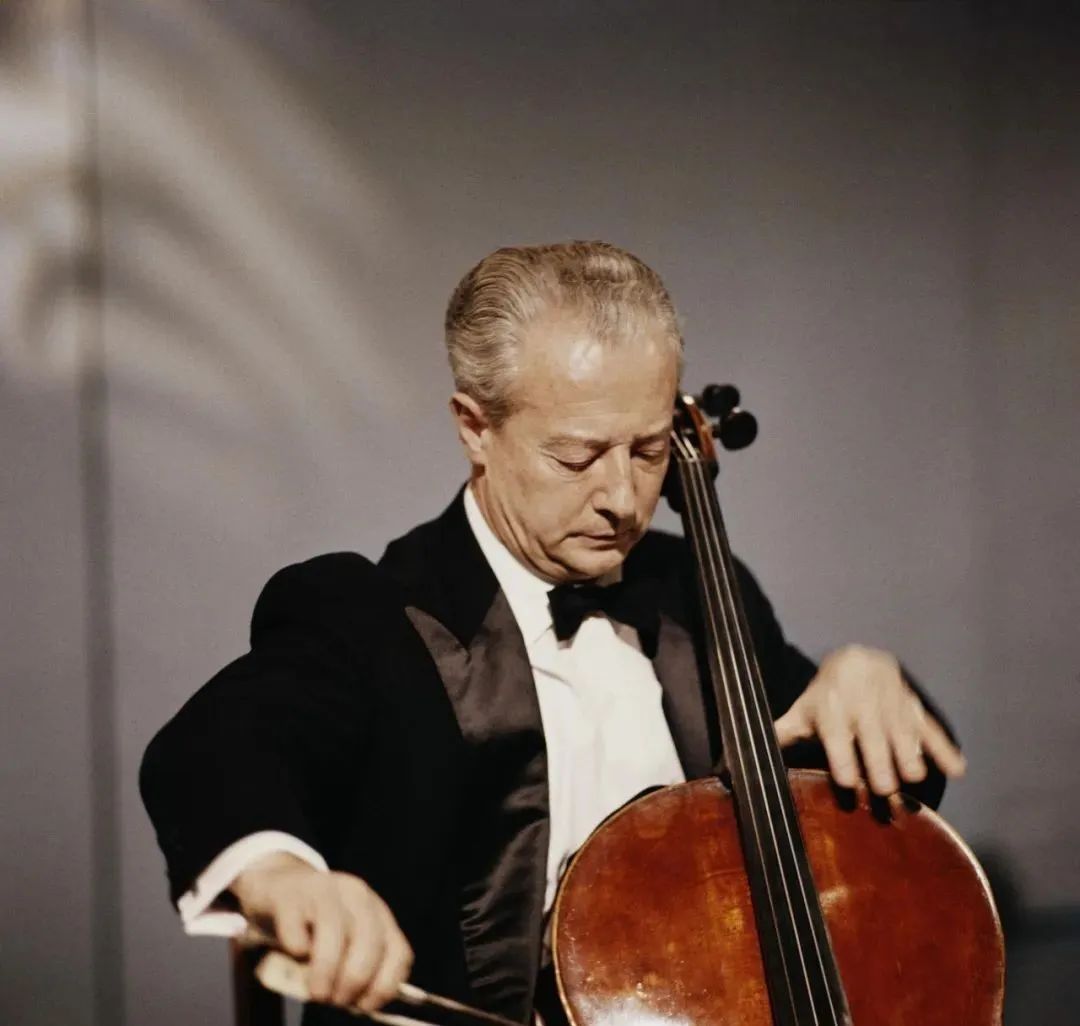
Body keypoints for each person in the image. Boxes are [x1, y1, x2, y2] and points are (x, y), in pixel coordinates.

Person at [140, 241, 966, 1026]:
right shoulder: (369, 616)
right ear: (475, 427)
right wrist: (284, 875)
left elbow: (876, 805)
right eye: (577, 457)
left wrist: (870, 683)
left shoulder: (699, 595)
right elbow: (218, 749)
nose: (623, 499)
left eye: (649, 451)